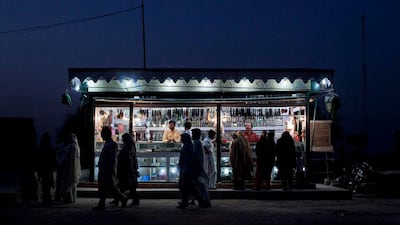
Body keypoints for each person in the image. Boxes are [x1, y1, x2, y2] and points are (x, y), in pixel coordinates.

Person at [94, 127, 127, 211]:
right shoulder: (108, 143)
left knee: (110, 187)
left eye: (102, 133)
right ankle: (102, 203)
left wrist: (110, 169)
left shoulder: (112, 144)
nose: (101, 135)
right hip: (105, 169)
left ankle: (122, 198)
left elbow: (111, 158)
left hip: (107, 170)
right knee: (105, 188)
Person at [111, 133, 140, 207]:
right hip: (128, 169)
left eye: (123, 138)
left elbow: (128, 159)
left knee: (126, 185)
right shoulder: (130, 146)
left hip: (126, 169)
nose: (122, 140)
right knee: (129, 186)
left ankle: (120, 199)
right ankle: (119, 199)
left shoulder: (128, 147)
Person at [177, 133, 202, 209]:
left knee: (185, 186)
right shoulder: (188, 146)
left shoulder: (187, 147)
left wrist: (184, 169)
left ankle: (185, 202)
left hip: (186, 169)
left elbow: (188, 159)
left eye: (182, 138)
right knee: (189, 187)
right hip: (186, 169)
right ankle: (200, 201)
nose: (180, 139)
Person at [191, 128, 211, 208]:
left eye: (193, 134)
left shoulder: (197, 143)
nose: (191, 135)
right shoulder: (198, 143)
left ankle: (205, 201)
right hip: (198, 166)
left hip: (197, 166)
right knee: (198, 184)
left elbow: (195, 156)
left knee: (200, 185)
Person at [36, 132, 56, 206]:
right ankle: (48, 199)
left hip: (43, 169)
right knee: (47, 185)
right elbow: (53, 159)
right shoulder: (50, 147)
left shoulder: (40, 147)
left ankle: (45, 199)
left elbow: (38, 159)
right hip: (48, 169)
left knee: (45, 185)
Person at [63, 133, 81, 203]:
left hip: (70, 167)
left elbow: (68, 157)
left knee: (69, 183)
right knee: (73, 184)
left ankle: (69, 199)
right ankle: (73, 198)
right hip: (75, 167)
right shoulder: (77, 147)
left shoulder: (71, 146)